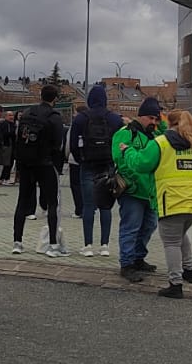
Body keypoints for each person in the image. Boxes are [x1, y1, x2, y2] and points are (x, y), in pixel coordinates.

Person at [121, 107, 192, 298]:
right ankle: (189, 271)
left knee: (171, 242)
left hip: (172, 200)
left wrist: (127, 151)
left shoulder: (161, 143)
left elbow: (141, 164)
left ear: (169, 123)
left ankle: (175, 284)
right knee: (181, 234)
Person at [111, 98, 166, 281]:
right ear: (141, 116)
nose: (154, 122)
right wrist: (133, 182)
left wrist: (162, 118)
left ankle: (138, 257)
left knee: (149, 226)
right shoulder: (125, 133)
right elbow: (120, 160)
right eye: (151, 118)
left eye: (156, 119)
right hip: (133, 191)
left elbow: (169, 132)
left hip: (150, 191)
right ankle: (127, 264)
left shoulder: (155, 135)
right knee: (131, 227)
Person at [11, 85, 67, 256]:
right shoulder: (54, 116)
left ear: (40, 95)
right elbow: (58, 143)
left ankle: (17, 242)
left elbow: (18, 138)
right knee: (52, 203)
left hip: (26, 163)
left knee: (22, 201)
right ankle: (52, 245)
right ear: (55, 99)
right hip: (46, 164)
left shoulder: (27, 113)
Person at [69, 85, 120, 257]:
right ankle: (104, 246)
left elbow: (73, 144)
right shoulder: (114, 119)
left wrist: (80, 159)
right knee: (106, 207)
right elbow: (120, 144)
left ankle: (88, 245)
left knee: (88, 206)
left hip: (88, 165)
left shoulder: (81, 118)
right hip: (108, 165)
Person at [0, 110, 17, 185]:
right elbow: (5, 134)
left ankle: (5, 178)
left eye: (12, 115)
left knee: (11, 162)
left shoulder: (13, 124)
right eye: (9, 115)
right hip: (7, 145)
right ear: (5, 116)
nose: (11, 117)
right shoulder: (4, 124)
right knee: (7, 163)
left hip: (12, 145)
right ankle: (4, 178)